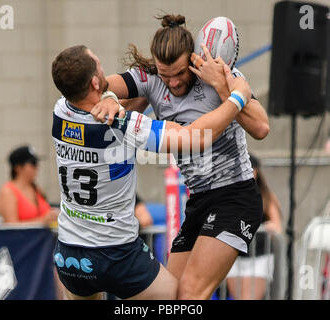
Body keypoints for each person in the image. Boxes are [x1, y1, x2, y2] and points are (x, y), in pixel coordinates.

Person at [51, 44, 252, 300]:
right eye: (100, 65)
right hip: (116, 254)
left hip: (69, 255)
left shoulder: (60, 111)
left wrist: (111, 97)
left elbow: (103, 102)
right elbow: (196, 137)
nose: (105, 71)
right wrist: (238, 97)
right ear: (94, 82)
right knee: (179, 301)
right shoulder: (124, 126)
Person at [91, 14, 269, 299]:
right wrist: (110, 98)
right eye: (165, 75)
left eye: (179, 74)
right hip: (198, 200)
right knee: (168, 295)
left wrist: (224, 87)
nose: (173, 83)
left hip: (234, 196)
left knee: (190, 294)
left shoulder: (217, 73)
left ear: (193, 59)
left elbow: (261, 127)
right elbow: (99, 86)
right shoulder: (149, 78)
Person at [227, 153, 282, 300]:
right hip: (234, 256)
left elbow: (277, 225)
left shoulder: (265, 195)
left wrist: (265, 228)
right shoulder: (229, 195)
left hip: (259, 256)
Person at [0, 145, 59, 225]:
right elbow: (11, 227)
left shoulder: (35, 188)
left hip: (42, 237)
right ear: (18, 168)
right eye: (33, 164)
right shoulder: (8, 192)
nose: (37, 167)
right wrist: (43, 220)